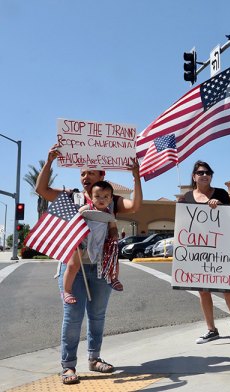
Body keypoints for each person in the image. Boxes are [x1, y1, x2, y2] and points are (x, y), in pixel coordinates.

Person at [35, 143, 142, 385]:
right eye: (82, 173)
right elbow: (41, 189)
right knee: (72, 316)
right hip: (74, 266)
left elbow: (135, 206)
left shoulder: (110, 200)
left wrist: (136, 176)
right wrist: (49, 161)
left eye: (91, 172)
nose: (85, 177)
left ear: (102, 176)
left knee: (97, 316)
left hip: (101, 268)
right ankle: (68, 366)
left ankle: (94, 359)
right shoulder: (70, 196)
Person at [179, 160, 230, 344]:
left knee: (227, 290)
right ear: (194, 176)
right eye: (200, 172)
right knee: (203, 291)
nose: (204, 175)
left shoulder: (221, 193)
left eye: (208, 172)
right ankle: (211, 329)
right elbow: (184, 225)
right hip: (197, 250)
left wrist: (220, 206)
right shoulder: (187, 197)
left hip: (219, 249)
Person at [62, 181, 123, 305]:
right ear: (91, 196)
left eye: (106, 196)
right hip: (82, 242)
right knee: (73, 265)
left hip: (99, 243)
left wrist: (114, 235)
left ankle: (114, 278)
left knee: (113, 258)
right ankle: (67, 291)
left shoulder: (108, 213)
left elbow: (112, 227)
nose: (101, 199)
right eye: (97, 196)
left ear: (111, 199)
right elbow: (74, 221)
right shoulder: (86, 209)